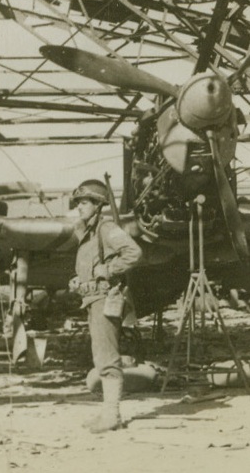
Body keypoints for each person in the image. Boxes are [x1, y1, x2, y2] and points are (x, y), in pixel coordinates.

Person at [68, 179, 143, 432]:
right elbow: (92, 267)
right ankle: (108, 414)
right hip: (92, 299)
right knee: (100, 357)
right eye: (78, 203)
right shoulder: (87, 232)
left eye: (84, 202)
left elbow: (133, 253)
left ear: (98, 205)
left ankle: (112, 416)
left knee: (107, 358)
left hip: (105, 299)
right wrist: (79, 280)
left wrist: (109, 270)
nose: (79, 207)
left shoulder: (106, 228)